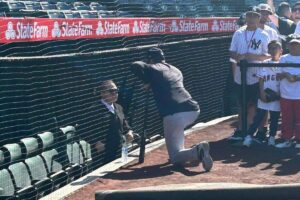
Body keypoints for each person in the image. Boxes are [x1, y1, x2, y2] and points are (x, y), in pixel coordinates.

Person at [130, 47, 213, 171]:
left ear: (150, 59)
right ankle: (188, 153)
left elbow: (135, 65)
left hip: (174, 113)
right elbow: (167, 83)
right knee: (177, 138)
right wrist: (152, 82)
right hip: (192, 109)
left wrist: (147, 80)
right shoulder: (175, 69)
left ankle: (197, 151)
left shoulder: (155, 67)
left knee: (174, 158)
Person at [228, 10, 270, 141]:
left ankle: (262, 130)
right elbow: (231, 52)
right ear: (245, 17)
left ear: (259, 19)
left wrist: (253, 57)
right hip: (241, 75)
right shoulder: (238, 33)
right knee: (242, 104)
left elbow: (269, 55)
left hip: (257, 75)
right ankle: (241, 130)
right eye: (249, 16)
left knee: (259, 104)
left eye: (255, 16)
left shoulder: (263, 34)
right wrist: (239, 57)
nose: (251, 19)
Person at [81, 80, 134, 169]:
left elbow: (125, 125)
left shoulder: (119, 107)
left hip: (119, 152)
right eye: (111, 91)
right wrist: (96, 143)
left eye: (116, 91)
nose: (115, 93)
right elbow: (83, 129)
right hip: (102, 154)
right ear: (102, 93)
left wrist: (129, 132)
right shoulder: (94, 109)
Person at [243, 40, 282, 147]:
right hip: (264, 95)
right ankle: (249, 136)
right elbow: (261, 81)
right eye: (271, 48)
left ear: (281, 50)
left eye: (276, 47)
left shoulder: (284, 63)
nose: (273, 50)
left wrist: (279, 94)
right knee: (258, 117)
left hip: (277, 95)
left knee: (274, 118)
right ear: (268, 50)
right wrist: (261, 94)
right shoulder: (264, 64)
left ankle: (272, 137)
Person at [275, 38, 300, 148]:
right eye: (292, 45)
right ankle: (286, 139)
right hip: (285, 94)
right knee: (286, 118)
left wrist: (295, 78)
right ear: (288, 46)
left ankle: (299, 140)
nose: (294, 47)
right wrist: (286, 75)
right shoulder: (283, 58)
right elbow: (278, 74)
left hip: (299, 95)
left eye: (296, 44)